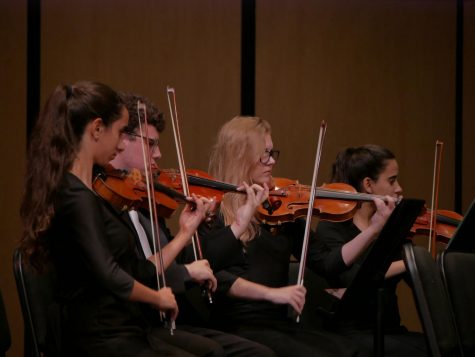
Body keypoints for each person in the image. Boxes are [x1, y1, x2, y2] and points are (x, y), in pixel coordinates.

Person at [19, 81, 215, 356]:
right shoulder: (76, 197)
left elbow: (136, 271)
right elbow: (110, 275)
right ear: (97, 129)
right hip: (100, 338)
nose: (123, 145)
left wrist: (185, 232)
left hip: (122, 329)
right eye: (122, 133)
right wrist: (157, 297)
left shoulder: (89, 195)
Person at [109, 94, 277, 357]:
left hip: (170, 321)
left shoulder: (147, 204)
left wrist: (238, 224)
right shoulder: (107, 205)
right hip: (134, 327)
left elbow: (187, 259)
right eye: (151, 144)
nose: (159, 154)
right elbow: (136, 275)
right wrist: (187, 267)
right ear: (121, 140)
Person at [197, 116, 363, 357]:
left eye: (272, 152)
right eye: (264, 154)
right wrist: (272, 293)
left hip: (277, 323)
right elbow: (216, 276)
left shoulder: (280, 208)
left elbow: (328, 263)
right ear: (241, 156)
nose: (272, 161)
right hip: (236, 326)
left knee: (347, 350)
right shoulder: (213, 211)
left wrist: (373, 229)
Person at [314, 145, 427, 356]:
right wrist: (411, 261)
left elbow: (418, 280)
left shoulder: (393, 228)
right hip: (353, 333)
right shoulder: (331, 227)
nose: (399, 188)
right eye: (392, 180)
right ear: (368, 184)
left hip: (391, 330)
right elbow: (353, 278)